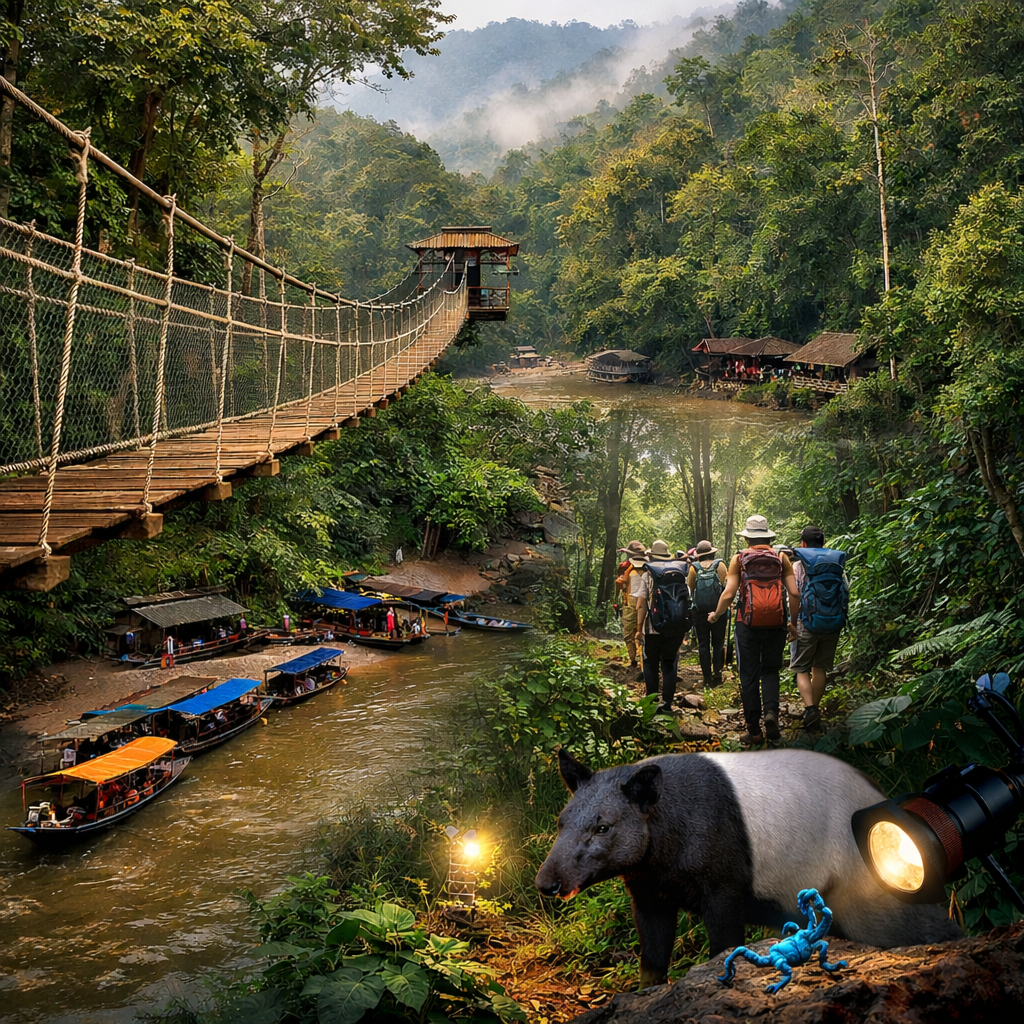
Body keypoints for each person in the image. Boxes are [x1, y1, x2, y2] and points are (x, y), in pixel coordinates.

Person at [707, 515, 799, 746]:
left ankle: (754, 731)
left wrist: (716, 614)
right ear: (768, 536)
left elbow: (728, 594)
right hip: (777, 623)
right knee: (770, 670)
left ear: (747, 538)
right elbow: (794, 594)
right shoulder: (781, 558)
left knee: (748, 675)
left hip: (746, 623)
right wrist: (792, 623)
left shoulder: (739, 559)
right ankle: (771, 714)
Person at [790, 525, 849, 732]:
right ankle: (814, 711)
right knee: (819, 668)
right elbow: (845, 592)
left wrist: (792, 623)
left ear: (803, 544)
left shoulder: (798, 566)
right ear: (824, 543)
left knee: (801, 669)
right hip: (832, 623)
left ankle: (810, 708)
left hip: (806, 623)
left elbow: (794, 595)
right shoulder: (836, 566)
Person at [636, 540, 691, 712]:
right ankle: (667, 703)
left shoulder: (648, 574)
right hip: (675, 627)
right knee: (669, 662)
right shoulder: (680, 573)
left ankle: (652, 701)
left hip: (653, 627)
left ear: (651, 556)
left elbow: (641, 604)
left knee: (650, 663)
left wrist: (638, 629)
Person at [688, 540, 728, 688]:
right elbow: (726, 587)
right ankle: (717, 675)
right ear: (712, 552)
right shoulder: (720, 566)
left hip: (699, 612)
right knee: (718, 643)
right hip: (719, 610)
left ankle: (706, 678)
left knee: (703, 644)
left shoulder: (694, 568)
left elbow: (690, 590)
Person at [615, 540, 648, 679]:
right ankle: (634, 660)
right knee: (630, 634)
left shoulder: (648, 567)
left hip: (640, 604)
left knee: (641, 634)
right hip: (631, 603)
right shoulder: (626, 567)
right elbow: (620, 583)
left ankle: (642, 662)